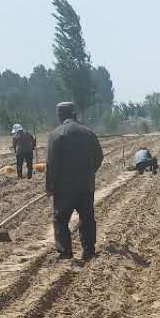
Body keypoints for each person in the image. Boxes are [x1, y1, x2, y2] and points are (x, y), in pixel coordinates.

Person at [46, 101, 104, 261]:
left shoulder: (56, 134)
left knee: (60, 219)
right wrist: (89, 173)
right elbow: (99, 157)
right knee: (87, 218)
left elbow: (52, 164)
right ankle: (88, 250)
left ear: (60, 115)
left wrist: (50, 186)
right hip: (86, 186)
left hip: (64, 188)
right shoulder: (88, 132)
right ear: (74, 114)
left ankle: (65, 252)